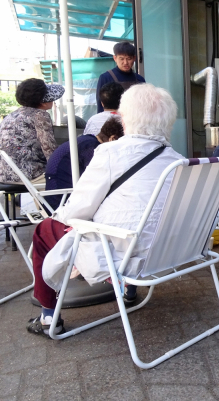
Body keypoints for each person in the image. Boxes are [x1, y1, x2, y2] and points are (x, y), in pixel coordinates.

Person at [26, 83, 184, 336]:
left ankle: (48, 317)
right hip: (172, 252)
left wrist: (61, 218)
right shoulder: (178, 161)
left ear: (123, 118)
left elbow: (78, 208)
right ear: (169, 121)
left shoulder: (111, 152)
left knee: (45, 230)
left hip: (123, 255)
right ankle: (129, 291)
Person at [45, 117, 125, 210]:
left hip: (55, 196)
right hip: (61, 202)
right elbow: (99, 179)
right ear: (113, 139)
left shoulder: (86, 141)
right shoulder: (92, 148)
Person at [0, 79, 64, 184]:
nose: (53, 100)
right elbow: (49, 149)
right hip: (29, 174)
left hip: (5, 174)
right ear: (42, 102)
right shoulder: (40, 115)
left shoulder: (12, 115)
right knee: (71, 179)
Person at [95, 42, 145, 113]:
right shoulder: (105, 77)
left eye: (129, 58)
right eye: (121, 59)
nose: (125, 62)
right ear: (115, 58)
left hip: (135, 120)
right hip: (113, 121)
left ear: (134, 58)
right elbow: (100, 104)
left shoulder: (140, 79)